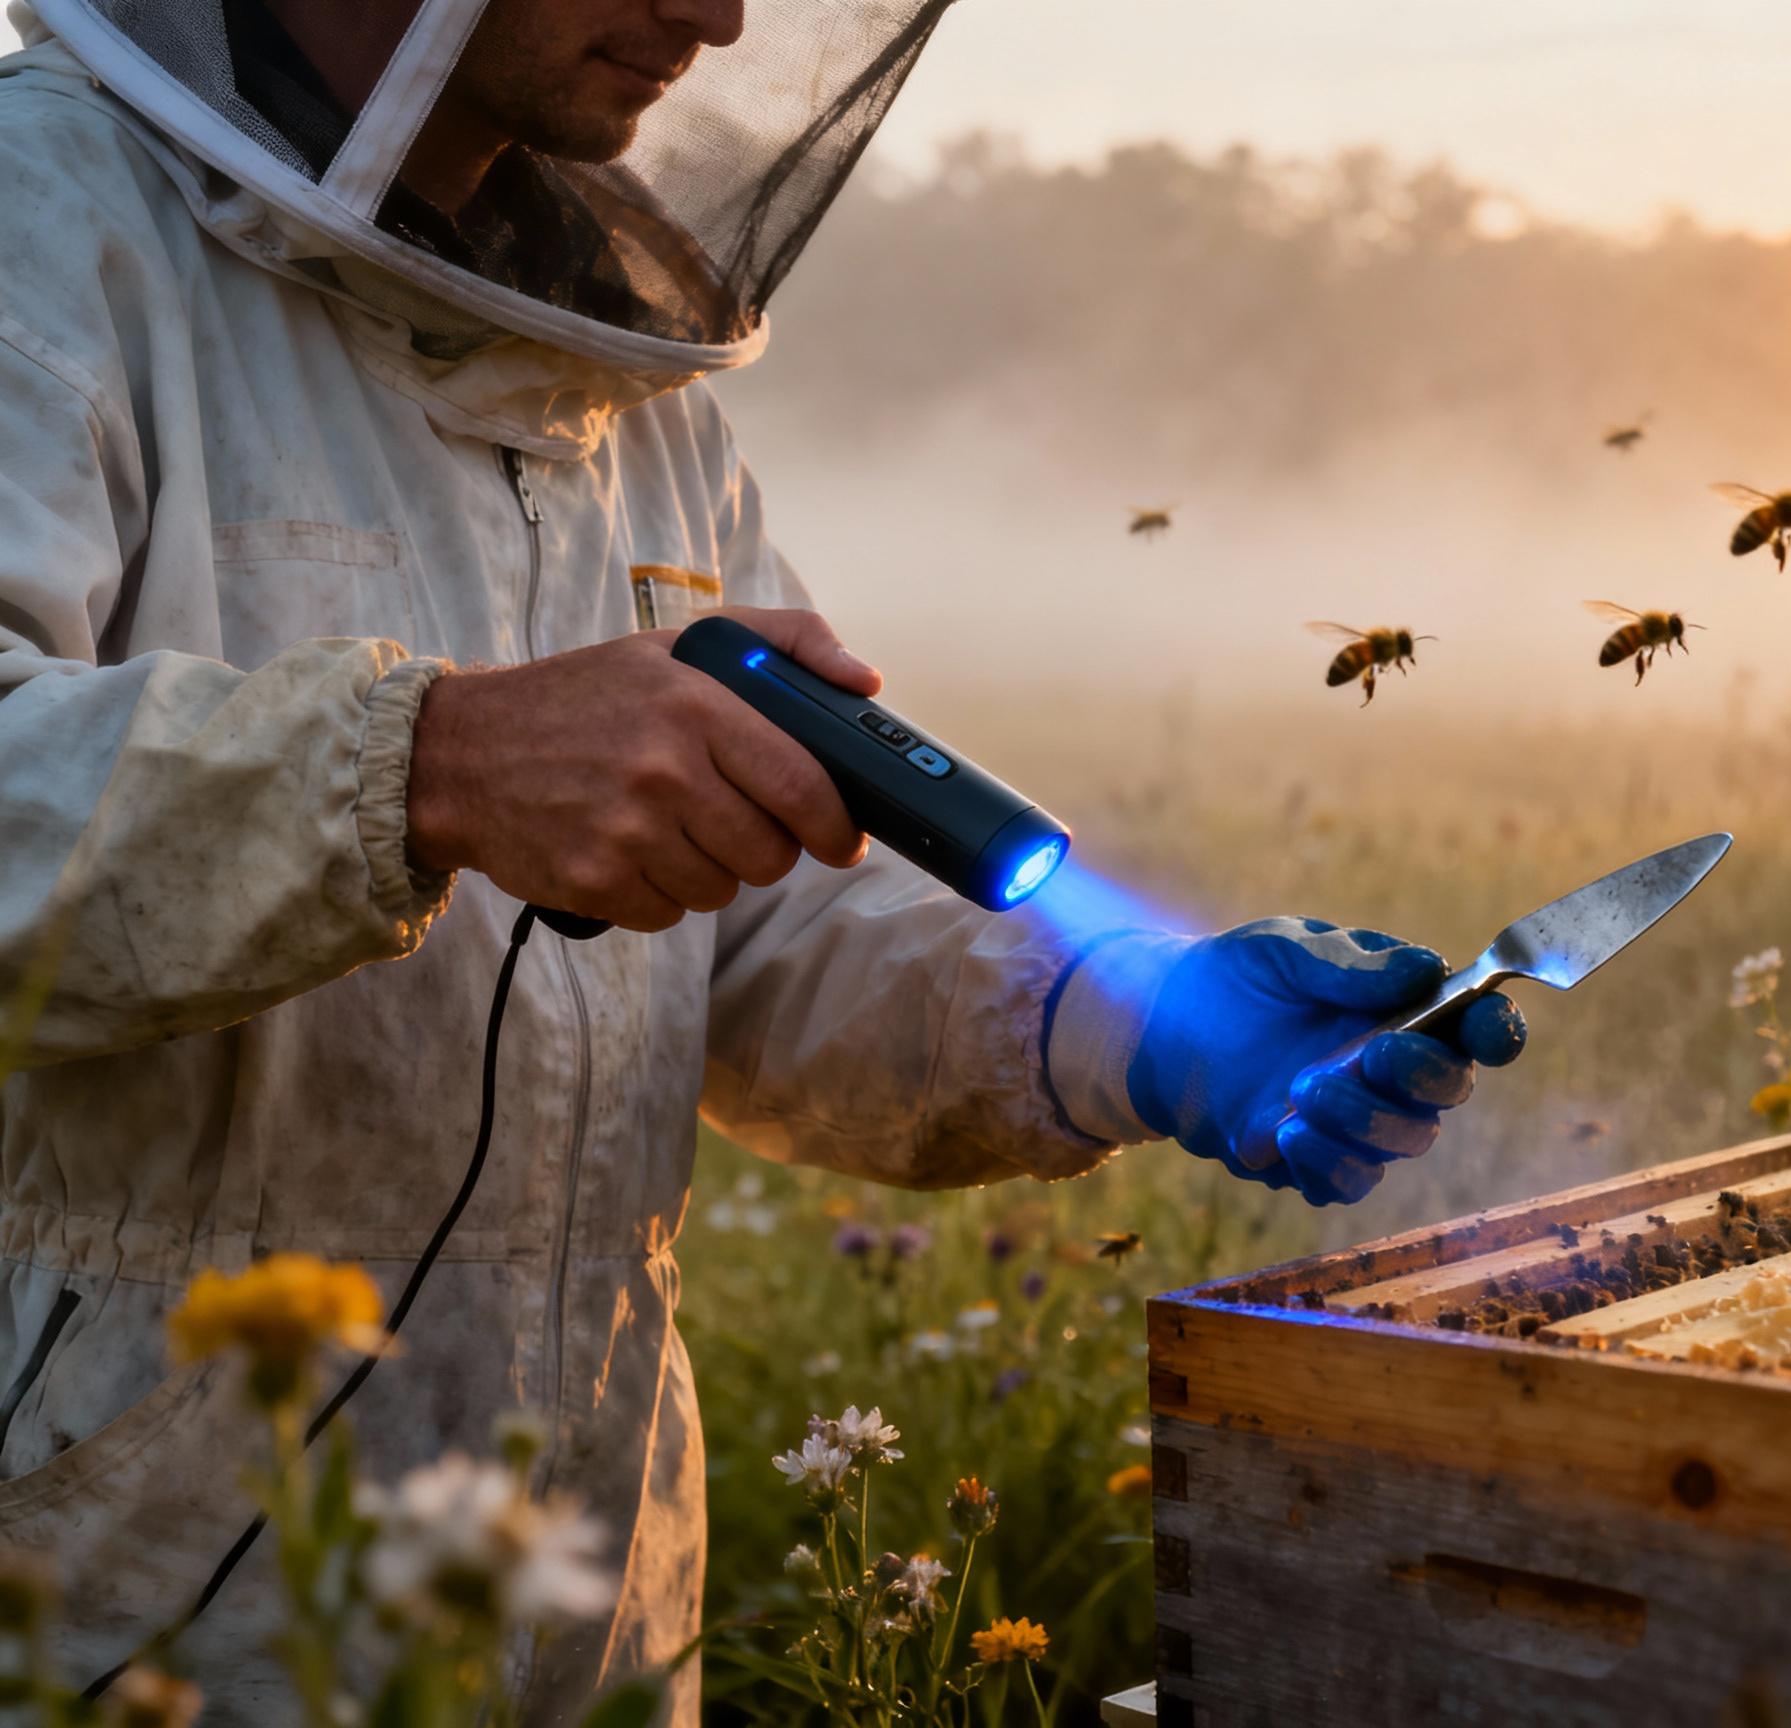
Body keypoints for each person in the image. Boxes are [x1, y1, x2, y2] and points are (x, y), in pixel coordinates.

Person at [0, 0, 1526, 1714]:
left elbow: (765, 926)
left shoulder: (609, 371)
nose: (719, 17)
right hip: (130, 1602)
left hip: (587, 1587)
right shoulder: (44, 224)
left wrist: (1133, 1019)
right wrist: (423, 764)